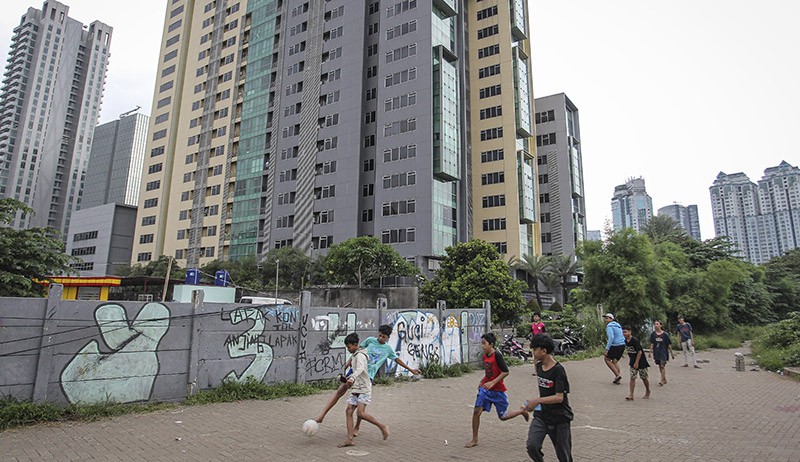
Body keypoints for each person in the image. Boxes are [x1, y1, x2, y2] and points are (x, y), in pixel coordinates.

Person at [315, 324, 420, 424]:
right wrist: (348, 362)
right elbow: (356, 350)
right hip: (355, 371)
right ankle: (322, 415)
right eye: (379, 335)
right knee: (340, 391)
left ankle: (357, 426)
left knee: (360, 406)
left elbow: (397, 360)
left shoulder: (388, 349)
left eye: (383, 337)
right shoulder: (370, 341)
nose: (380, 338)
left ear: (387, 338)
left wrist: (411, 370)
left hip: (367, 377)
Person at [465, 332, 529, 448]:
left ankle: (521, 411)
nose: (482, 346)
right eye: (481, 343)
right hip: (486, 390)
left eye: (484, 344)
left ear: (491, 344)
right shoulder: (485, 356)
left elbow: (505, 372)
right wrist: (482, 381)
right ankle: (475, 439)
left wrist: (493, 382)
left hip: (498, 390)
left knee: (503, 416)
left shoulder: (497, 355)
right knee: (476, 412)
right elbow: (489, 373)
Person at [523, 333, 574, 462]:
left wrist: (537, 401)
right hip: (542, 415)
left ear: (544, 351)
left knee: (564, 455)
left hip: (560, 417)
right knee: (532, 446)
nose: (533, 352)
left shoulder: (558, 370)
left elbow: (559, 397)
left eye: (535, 350)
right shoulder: (539, 366)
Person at [338, 333, 388, 448]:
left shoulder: (360, 355)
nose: (348, 349)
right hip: (356, 387)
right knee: (349, 411)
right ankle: (350, 439)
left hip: (364, 388)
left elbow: (360, 369)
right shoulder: (355, 355)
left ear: (355, 345)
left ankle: (382, 426)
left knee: (361, 413)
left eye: (349, 347)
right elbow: (355, 370)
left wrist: (352, 378)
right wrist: (348, 377)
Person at [622, 325, 650, 401]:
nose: (624, 333)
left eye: (625, 332)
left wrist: (637, 363)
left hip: (641, 362)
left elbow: (640, 352)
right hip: (632, 361)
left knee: (644, 377)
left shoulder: (634, 340)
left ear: (630, 332)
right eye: (623, 332)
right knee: (632, 377)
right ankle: (631, 394)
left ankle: (648, 390)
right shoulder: (625, 341)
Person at [649, 320, 675, 386]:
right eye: (655, 324)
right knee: (659, 366)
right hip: (656, 352)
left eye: (657, 324)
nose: (656, 325)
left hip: (663, 352)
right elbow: (652, 343)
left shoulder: (665, 335)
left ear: (661, 325)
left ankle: (662, 380)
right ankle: (664, 378)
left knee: (662, 365)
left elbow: (669, 344)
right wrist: (650, 352)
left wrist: (672, 353)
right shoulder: (653, 334)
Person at [602, 313, 626, 384]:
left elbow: (611, 337)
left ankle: (617, 375)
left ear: (611, 319)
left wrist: (607, 349)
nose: (606, 320)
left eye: (607, 318)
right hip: (622, 344)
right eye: (605, 318)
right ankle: (617, 379)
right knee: (615, 361)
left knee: (607, 359)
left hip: (615, 345)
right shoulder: (618, 326)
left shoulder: (609, 326)